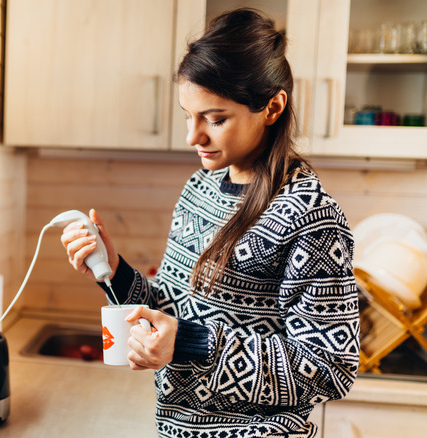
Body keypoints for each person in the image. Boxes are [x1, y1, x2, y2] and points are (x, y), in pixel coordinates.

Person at [60, 9, 358, 437]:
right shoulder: (199, 189)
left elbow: (331, 367)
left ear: (272, 107)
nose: (193, 136)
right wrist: (114, 270)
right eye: (188, 115)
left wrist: (188, 342)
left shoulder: (311, 216)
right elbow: (172, 311)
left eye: (215, 120)